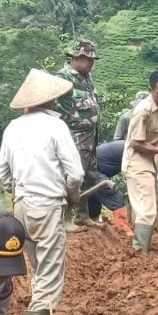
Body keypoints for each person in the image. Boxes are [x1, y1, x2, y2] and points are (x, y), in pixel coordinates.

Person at [0, 69, 84, 315]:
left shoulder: (12, 128)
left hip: (21, 206)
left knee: (37, 268)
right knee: (48, 272)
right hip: (48, 206)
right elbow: (76, 174)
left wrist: (19, 192)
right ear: (53, 101)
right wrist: (72, 198)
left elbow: (2, 176)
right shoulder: (56, 128)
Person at [54, 38, 107, 229]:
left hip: (90, 136)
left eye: (92, 59)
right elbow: (58, 109)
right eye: (87, 59)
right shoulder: (62, 78)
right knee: (72, 175)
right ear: (76, 57)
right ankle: (65, 217)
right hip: (73, 135)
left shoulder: (86, 78)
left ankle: (82, 215)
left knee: (89, 175)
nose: (91, 63)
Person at [123, 69, 158, 253]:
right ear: (150, 90)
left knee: (148, 207)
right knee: (147, 210)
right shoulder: (142, 111)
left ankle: (143, 248)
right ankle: (139, 252)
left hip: (150, 162)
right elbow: (136, 143)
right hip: (137, 163)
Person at [85, 139, 133, 237]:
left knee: (94, 197)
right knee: (114, 196)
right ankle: (124, 231)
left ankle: (93, 227)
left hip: (89, 166)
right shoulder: (133, 150)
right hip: (91, 168)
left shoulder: (127, 145)